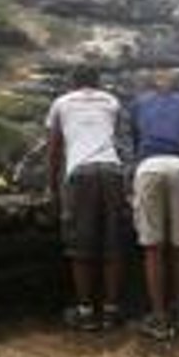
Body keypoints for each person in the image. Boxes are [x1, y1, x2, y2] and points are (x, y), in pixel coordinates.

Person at [46, 65, 128, 331]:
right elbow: (114, 137)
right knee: (112, 244)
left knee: (81, 246)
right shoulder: (111, 102)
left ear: (72, 82)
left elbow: (55, 149)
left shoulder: (61, 103)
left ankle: (85, 312)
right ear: (98, 82)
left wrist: (53, 188)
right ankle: (111, 310)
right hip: (112, 170)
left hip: (81, 173)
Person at [128, 69, 179, 340]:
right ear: (177, 87)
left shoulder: (138, 104)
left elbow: (136, 142)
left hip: (148, 166)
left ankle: (159, 317)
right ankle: (178, 312)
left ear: (151, 88)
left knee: (153, 247)